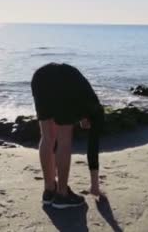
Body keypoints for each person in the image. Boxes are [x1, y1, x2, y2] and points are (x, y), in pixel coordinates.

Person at [31, 63, 104, 209]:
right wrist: (95, 185)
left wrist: (82, 118)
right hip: (65, 83)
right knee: (64, 140)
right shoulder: (97, 112)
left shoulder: (85, 98)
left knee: (47, 137)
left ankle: (49, 190)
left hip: (40, 76)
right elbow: (92, 147)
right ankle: (62, 194)